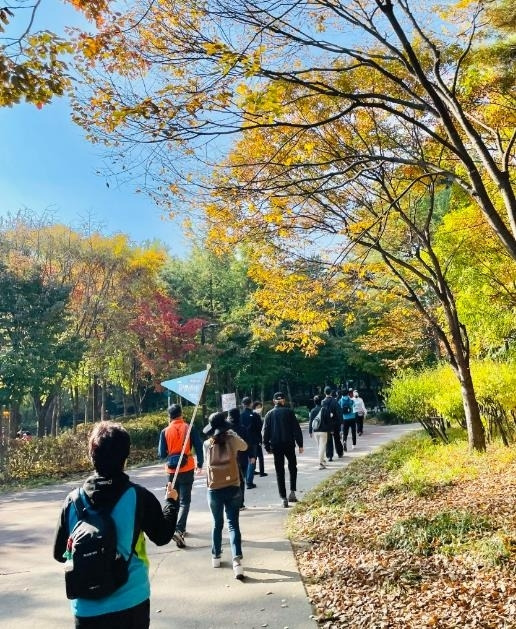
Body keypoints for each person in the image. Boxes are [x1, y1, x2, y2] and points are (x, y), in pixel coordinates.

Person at [53, 421, 179, 629]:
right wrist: (172, 502)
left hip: (86, 610)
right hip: (131, 602)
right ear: (125, 456)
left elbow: (59, 554)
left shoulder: (72, 501)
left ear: (92, 454)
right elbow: (162, 535)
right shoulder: (138, 496)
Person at [203, 411, 248, 579]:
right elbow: (245, 446)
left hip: (214, 490)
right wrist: (233, 433)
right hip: (233, 486)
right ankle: (237, 561)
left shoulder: (207, 444)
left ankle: (216, 556)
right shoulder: (232, 440)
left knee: (217, 524)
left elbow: (205, 464)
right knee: (233, 524)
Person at [157, 403, 204, 549]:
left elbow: (161, 454)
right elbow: (199, 445)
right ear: (181, 414)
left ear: (169, 416)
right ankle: (180, 529)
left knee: (173, 499)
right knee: (185, 501)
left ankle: (175, 528)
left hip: (172, 470)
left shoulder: (165, 431)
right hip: (188, 466)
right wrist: (200, 463)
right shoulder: (189, 428)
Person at [262, 392, 304, 508]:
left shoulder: (269, 414)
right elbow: (296, 429)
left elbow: (265, 431)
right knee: (292, 467)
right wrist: (300, 444)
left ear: (274, 401)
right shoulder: (289, 412)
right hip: (289, 444)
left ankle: (283, 497)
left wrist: (267, 446)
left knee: (280, 471)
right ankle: (292, 492)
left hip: (276, 446)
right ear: (284, 401)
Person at [227, 407, 249, 509]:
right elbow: (247, 444)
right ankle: (240, 503)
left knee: (231, 482)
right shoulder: (243, 428)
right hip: (242, 458)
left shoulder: (226, 431)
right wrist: (252, 456)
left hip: (229, 459)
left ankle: (232, 502)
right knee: (241, 481)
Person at [240, 396, 263, 490]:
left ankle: (243, 479)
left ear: (242, 404)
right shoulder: (255, 415)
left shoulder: (240, 415)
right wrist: (260, 440)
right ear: (251, 404)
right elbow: (259, 428)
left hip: (241, 440)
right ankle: (249, 481)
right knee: (252, 459)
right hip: (253, 440)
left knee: (243, 460)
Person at [322, 386, 344, 461]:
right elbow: (339, 412)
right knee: (337, 438)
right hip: (335, 423)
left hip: (327, 424)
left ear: (324, 393)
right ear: (331, 392)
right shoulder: (334, 401)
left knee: (328, 440)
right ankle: (340, 453)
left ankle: (329, 456)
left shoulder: (323, 402)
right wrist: (341, 422)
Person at [308, 394, 329, 469]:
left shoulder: (313, 410)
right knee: (322, 446)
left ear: (314, 402)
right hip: (323, 431)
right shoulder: (325, 410)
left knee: (319, 447)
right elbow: (328, 421)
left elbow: (310, 421)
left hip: (315, 431)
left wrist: (310, 431)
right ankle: (320, 463)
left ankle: (322, 460)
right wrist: (330, 429)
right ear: (321, 401)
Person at [252, 400, 268, 477]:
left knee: (254, 456)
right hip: (257, 438)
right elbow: (259, 427)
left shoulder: (252, 415)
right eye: (258, 407)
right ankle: (262, 472)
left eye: (260, 407)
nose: (260, 408)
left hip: (253, 438)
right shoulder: (256, 416)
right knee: (260, 456)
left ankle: (253, 470)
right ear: (254, 407)